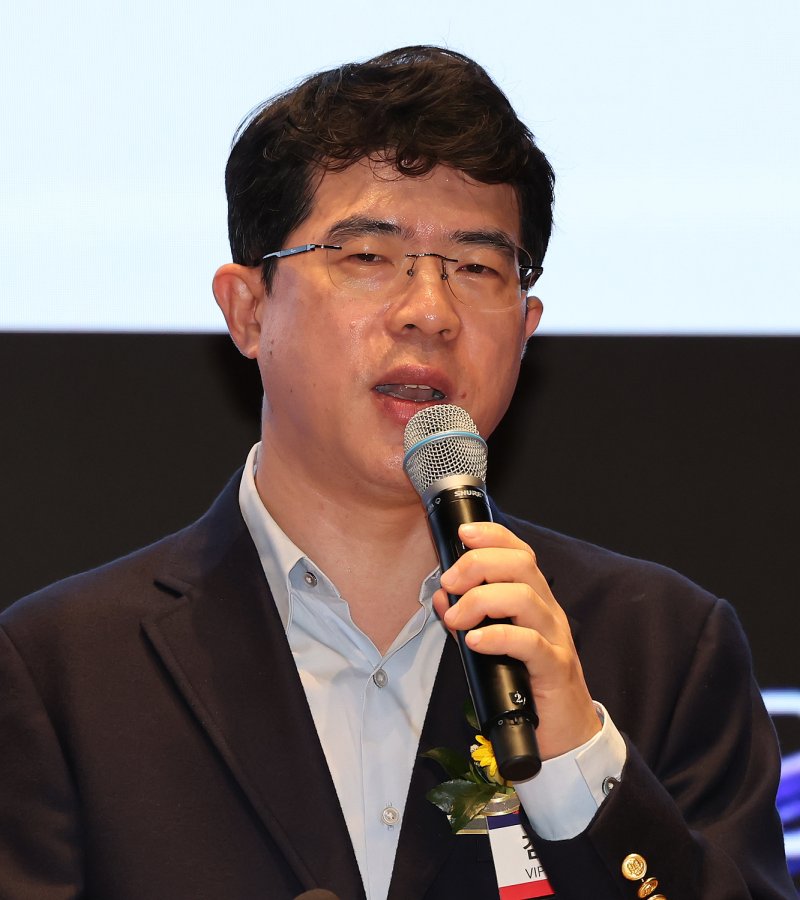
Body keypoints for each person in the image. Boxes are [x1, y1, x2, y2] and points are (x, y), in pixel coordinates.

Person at [0, 46, 793, 900]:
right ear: (249, 309)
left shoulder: (663, 651)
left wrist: (578, 765)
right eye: (369, 258)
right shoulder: (63, 672)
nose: (429, 313)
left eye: (477, 268)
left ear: (526, 327)